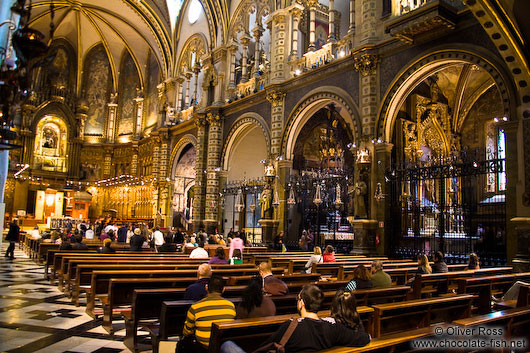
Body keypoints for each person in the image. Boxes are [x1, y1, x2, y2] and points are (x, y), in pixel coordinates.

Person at [220, 284, 370, 353]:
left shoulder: (291, 326)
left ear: (301, 303)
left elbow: (265, 347)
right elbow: (362, 338)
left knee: (227, 345)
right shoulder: (333, 327)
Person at [182, 275, 236, 352]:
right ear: (223, 290)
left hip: (203, 348)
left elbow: (187, 332)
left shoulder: (195, 307)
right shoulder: (230, 306)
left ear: (206, 288)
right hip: (223, 346)